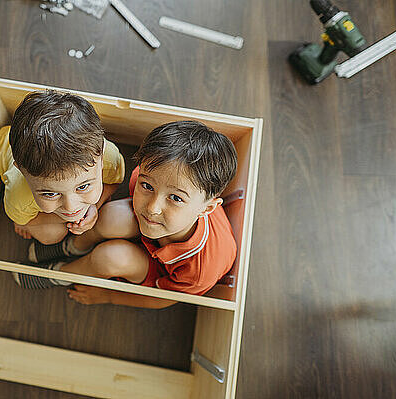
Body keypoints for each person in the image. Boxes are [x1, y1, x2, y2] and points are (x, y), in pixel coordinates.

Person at [14, 120, 238, 309]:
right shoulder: (153, 174)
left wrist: (110, 296)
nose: (152, 207)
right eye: (147, 187)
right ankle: (74, 245)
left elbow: (161, 300)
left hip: (160, 271)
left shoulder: (200, 270)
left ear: (207, 208)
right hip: (152, 235)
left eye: (176, 198)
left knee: (109, 258)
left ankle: (63, 273)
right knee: (111, 216)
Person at [0, 90, 125, 245]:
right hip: (4, 146)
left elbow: (115, 181)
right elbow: (22, 218)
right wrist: (23, 221)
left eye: (83, 186)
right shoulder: (19, 196)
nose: (71, 206)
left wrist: (95, 205)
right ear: (21, 171)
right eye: (50, 194)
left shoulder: (109, 157)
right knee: (50, 235)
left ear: (101, 159)